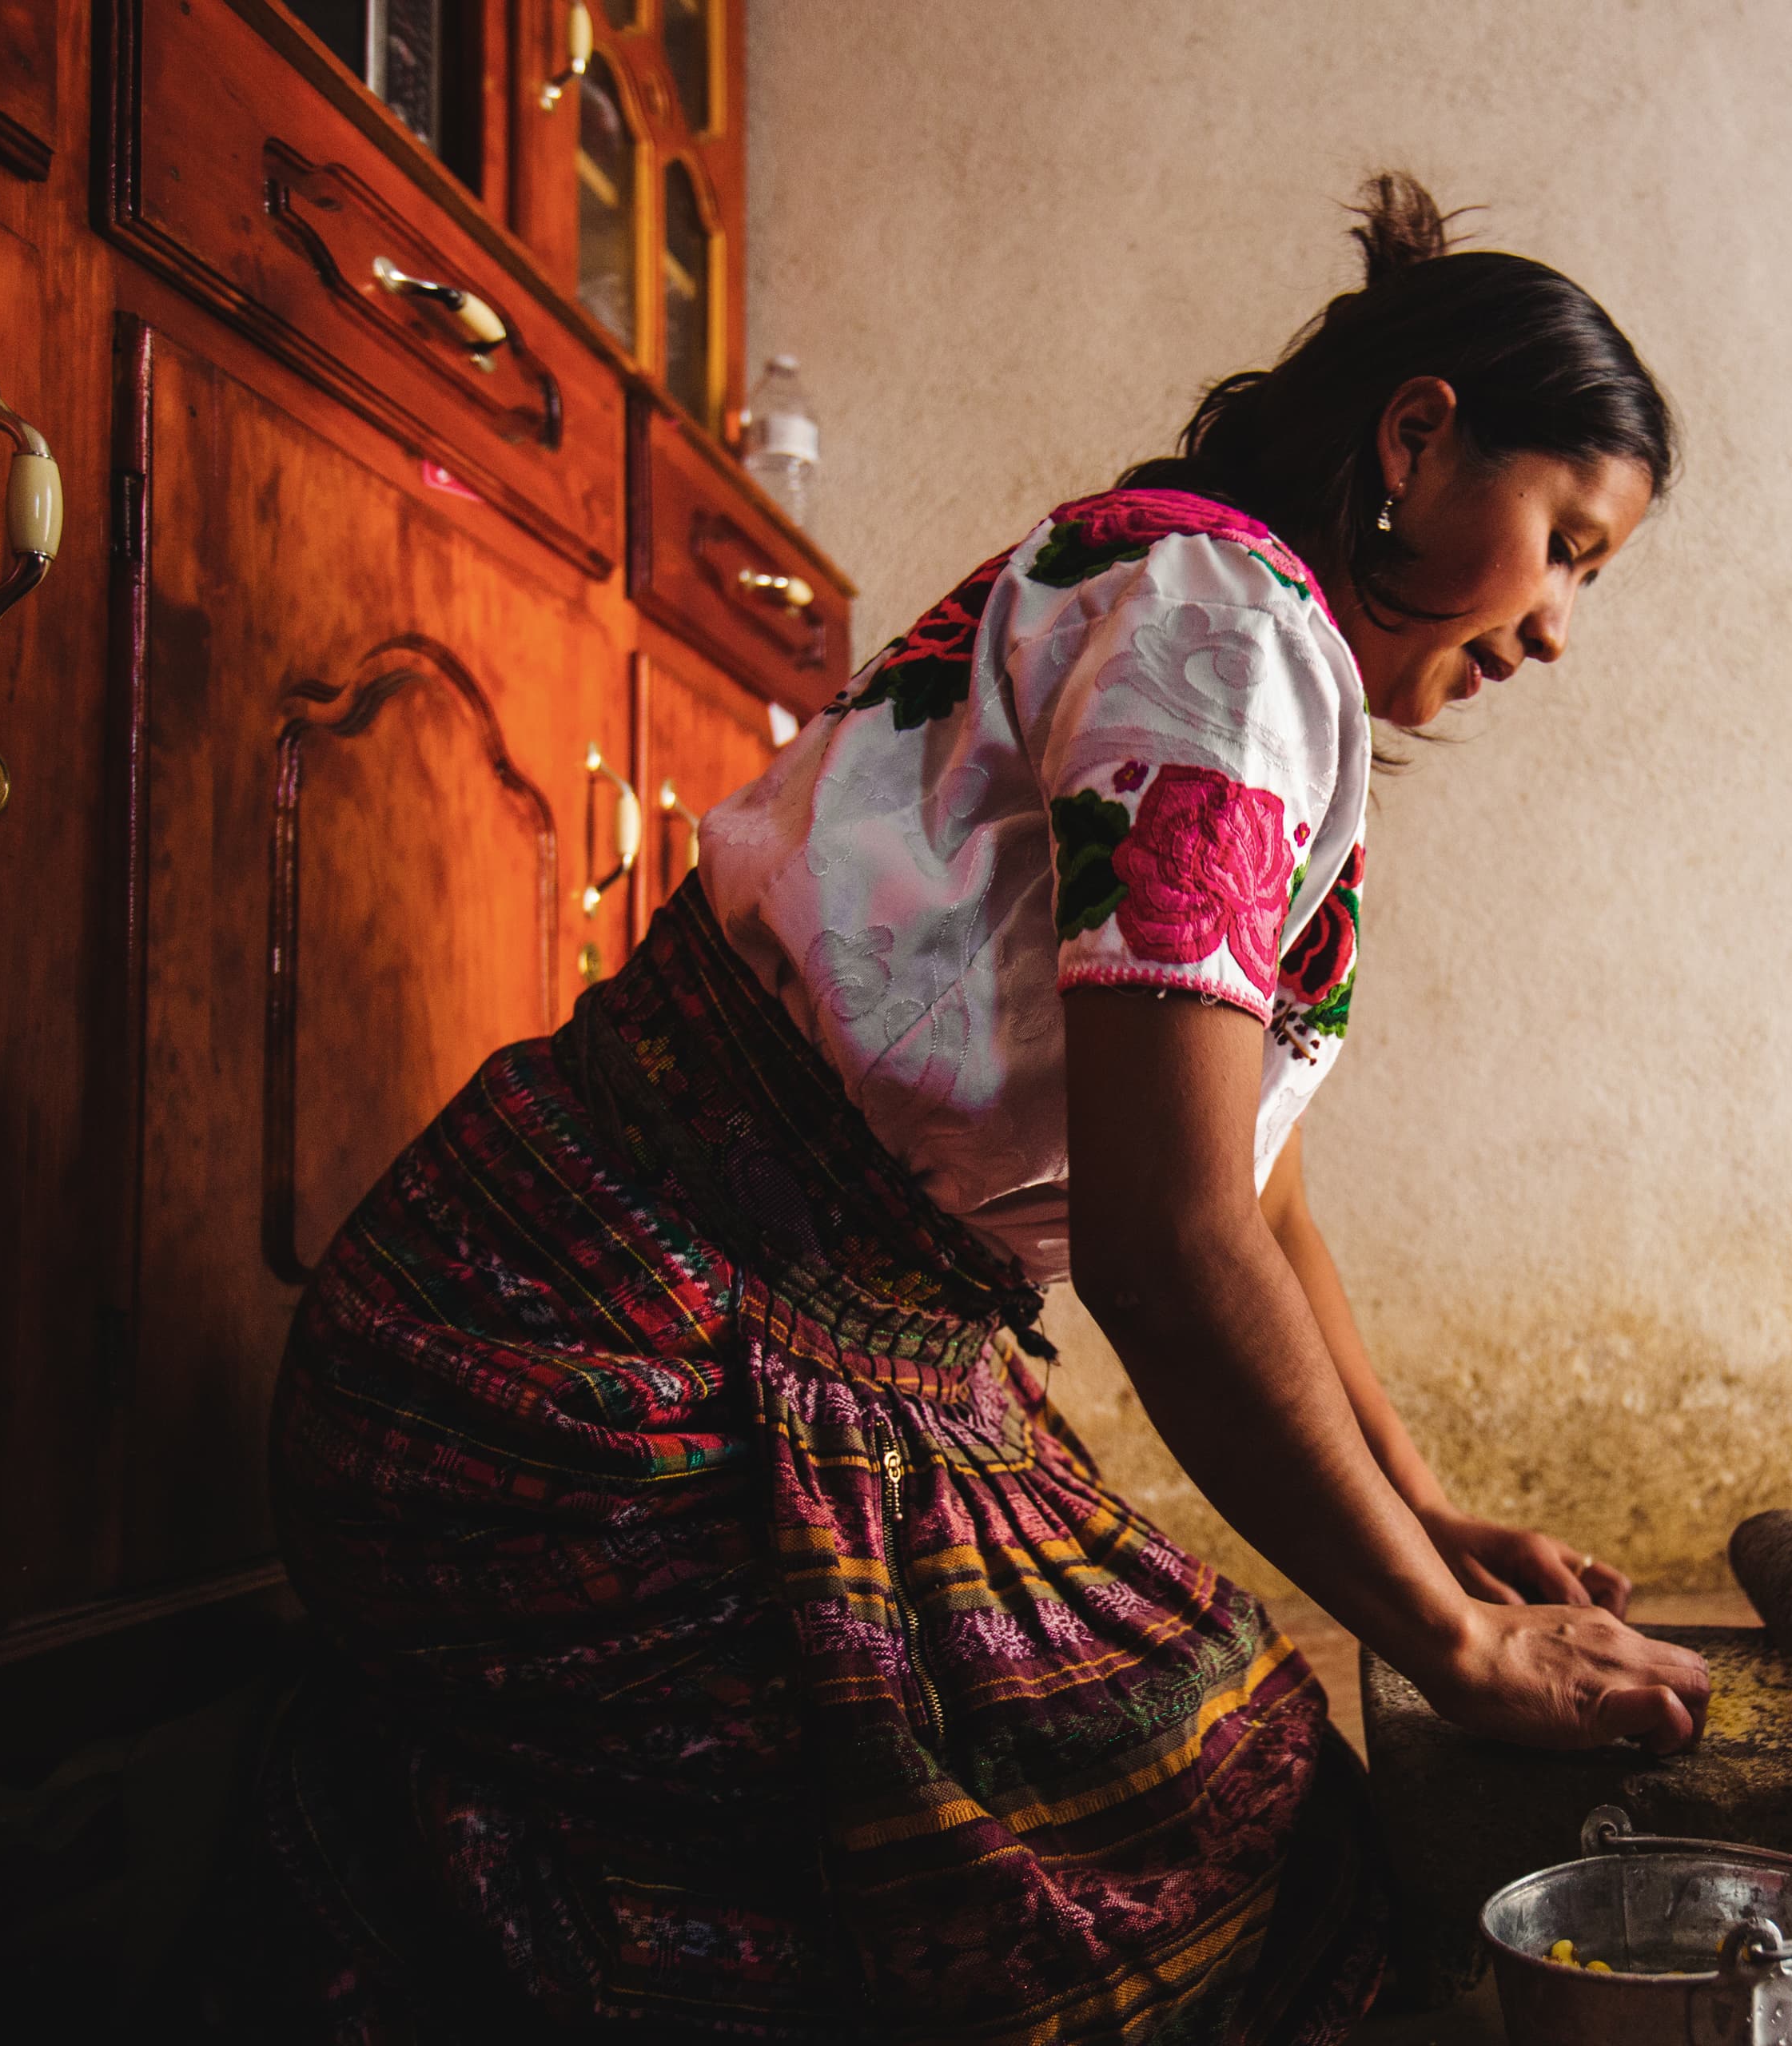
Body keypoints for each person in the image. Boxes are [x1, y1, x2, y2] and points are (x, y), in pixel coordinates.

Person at [223, 173, 1710, 2043]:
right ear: (1420, 436)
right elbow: (1167, 1251)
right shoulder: (1224, 644)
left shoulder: (1232, 649)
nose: (1561, 628)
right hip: (574, 1359)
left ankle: (469, 1774)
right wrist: (1460, 1643)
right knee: (1216, 1813)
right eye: (1568, 543)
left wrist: (1430, 1516)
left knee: (1195, 1746)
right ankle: (408, 1820)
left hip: (777, 1339)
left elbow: (1259, 1200)